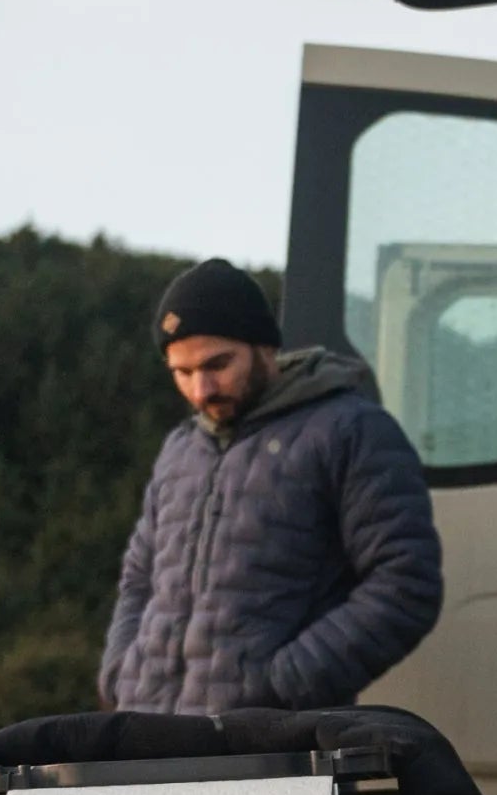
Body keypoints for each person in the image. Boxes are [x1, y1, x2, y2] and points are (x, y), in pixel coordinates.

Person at [100, 257, 443, 713]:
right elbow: (139, 579)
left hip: (272, 753)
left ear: (264, 347)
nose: (201, 390)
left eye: (217, 364)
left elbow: (405, 583)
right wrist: (120, 675)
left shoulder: (351, 432)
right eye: (182, 373)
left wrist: (278, 687)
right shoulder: (181, 449)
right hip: (148, 742)